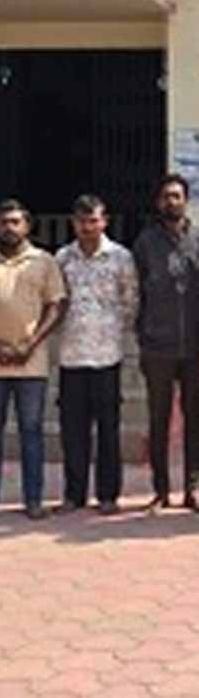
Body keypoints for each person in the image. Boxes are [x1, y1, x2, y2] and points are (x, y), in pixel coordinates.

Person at [0, 199, 67, 521]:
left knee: (31, 432)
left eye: (16, 222)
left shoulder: (44, 261)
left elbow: (57, 304)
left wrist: (32, 342)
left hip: (31, 363)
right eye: (4, 222)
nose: (10, 228)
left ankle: (33, 500)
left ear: (27, 226)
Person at [55, 194, 138, 516]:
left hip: (107, 356)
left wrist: (114, 330)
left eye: (93, 220)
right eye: (82, 221)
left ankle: (108, 495)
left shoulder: (121, 257)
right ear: (73, 223)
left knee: (108, 430)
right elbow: (56, 300)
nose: (87, 227)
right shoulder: (62, 258)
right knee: (72, 431)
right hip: (71, 355)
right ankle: (74, 494)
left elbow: (131, 300)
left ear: (104, 222)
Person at [133, 173, 199, 510]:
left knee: (195, 420)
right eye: (166, 196)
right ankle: (161, 490)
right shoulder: (146, 243)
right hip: (157, 346)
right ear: (158, 202)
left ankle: (193, 488)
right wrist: (142, 334)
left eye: (176, 196)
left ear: (186, 200)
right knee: (158, 419)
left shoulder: (198, 239)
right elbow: (134, 293)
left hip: (195, 348)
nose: (171, 201)